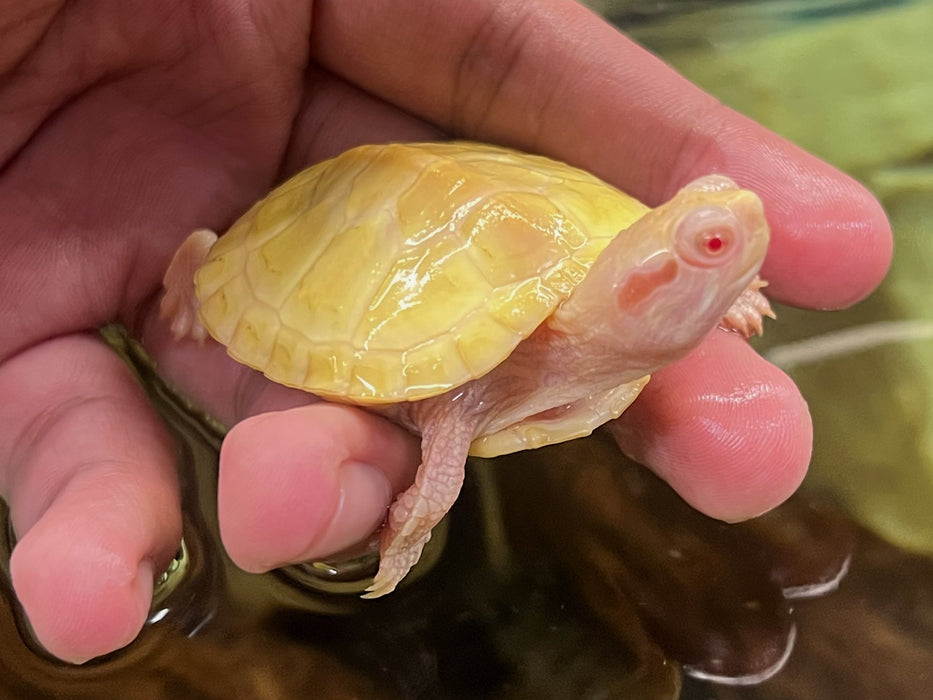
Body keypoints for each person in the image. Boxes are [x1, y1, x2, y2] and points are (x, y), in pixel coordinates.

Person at [0, 0, 891, 664]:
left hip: (489, 206)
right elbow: (448, 417)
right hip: (355, 221)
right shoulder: (501, 363)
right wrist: (416, 519)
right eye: (706, 242)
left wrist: (721, 287)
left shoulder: (625, 304)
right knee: (292, 326)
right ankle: (211, 261)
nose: (733, 228)